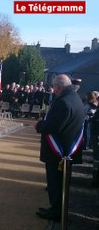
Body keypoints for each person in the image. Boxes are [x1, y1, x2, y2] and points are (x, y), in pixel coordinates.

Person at [34, 74, 85, 221]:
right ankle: (56, 208)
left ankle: (56, 211)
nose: (53, 91)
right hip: (66, 149)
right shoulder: (75, 98)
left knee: (56, 183)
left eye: (54, 88)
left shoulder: (63, 102)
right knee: (59, 183)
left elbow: (54, 127)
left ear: (58, 87)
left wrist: (39, 125)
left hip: (59, 151)